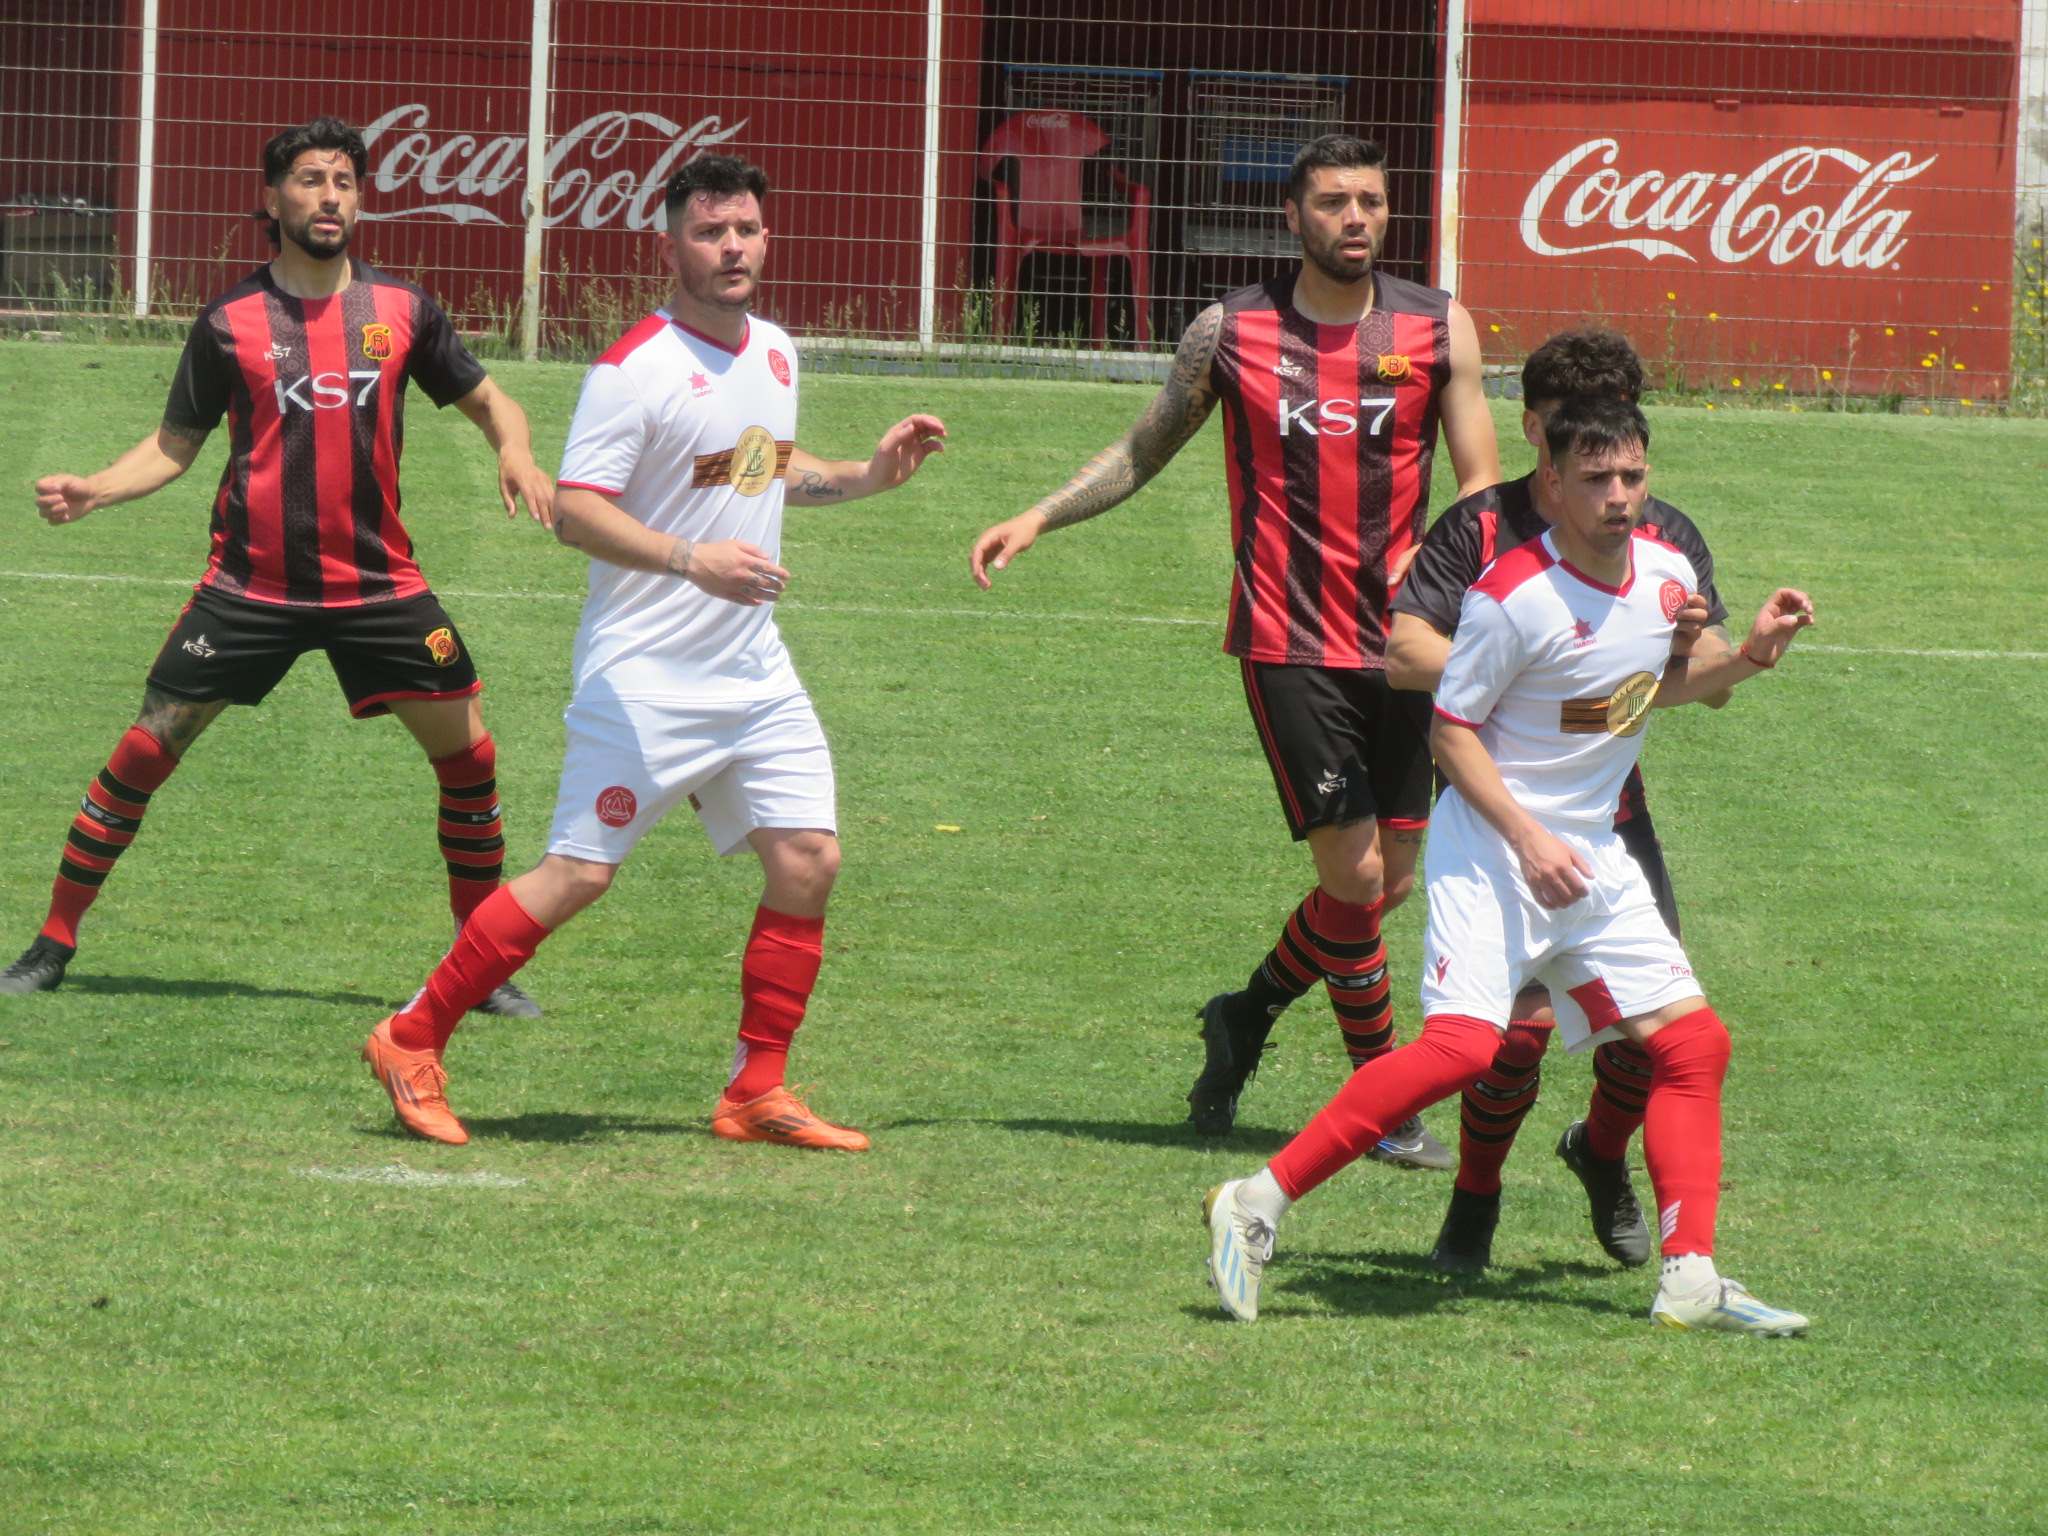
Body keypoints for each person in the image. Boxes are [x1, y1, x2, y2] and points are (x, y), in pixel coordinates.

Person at [358, 154, 946, 1150]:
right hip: (644, 675)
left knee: (807, 859)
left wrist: (865, 476)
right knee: (578, 875)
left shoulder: (774, 351)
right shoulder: (633, 370)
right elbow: (576, 511)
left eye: (746, 230)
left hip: (752, 669)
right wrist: (688, 559)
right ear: (668, 242)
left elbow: (753, 464)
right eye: (711, 232)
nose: (732, 248)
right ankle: (410, 1037)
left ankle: (755, 1091)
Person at [1203, 395, 1816, 1335]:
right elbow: (1451, 734)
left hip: (1593, 856)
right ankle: (1254, 1200)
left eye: (1633, 476)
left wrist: (1754, 660)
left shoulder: (1665, 572)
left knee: (1695, 1046)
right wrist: (1529, 840)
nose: (1620, 496)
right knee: (1463, 1050)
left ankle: (1691, 1276)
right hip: (1493, 852)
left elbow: (1657, 690)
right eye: (1598, 479)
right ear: (1556, 483)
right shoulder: (1511, 594)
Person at [970, 134, 1500, 1163]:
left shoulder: (1438, 327)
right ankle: (1383, 1101)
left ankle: (1245, 1012)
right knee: (1350, 880)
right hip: (1288, 637)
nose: (1356, 218)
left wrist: (1481, 598)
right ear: (1292, 216)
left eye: (1371, 202)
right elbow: (1142, 446)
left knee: (1386, 883)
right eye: (1335, 201)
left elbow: (1480, 484)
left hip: (1409, 645)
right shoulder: (1230, 331)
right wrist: (1040, 515)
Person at [3, 116, 553, 1016]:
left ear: (360, 200)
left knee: (472, 759)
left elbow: (494, 402)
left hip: (379, 586)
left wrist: (517, 450)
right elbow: (175, 446)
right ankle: (53, 942)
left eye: (343, 179)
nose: (328, 194)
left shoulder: (404, 313)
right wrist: (97, 489)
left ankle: (478, 966)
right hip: (249, 590)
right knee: (144, 751)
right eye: (309, 179)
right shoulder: (229, 323)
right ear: (273, 199)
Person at [1384, 328, 1732, 1272]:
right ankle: (1474, 1198)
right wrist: (1554, 675)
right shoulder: (1478, 529)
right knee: (1514, 1036)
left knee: (1652, 1032)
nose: (1608, 460)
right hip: (1505, 809)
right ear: (1536, 432)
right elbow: (1406, 653)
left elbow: (1708, 676)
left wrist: (1673, 648)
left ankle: (1602, 1155)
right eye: (1581, 433)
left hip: (1609, 818)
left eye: (1623, 437)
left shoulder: (1663, 535)